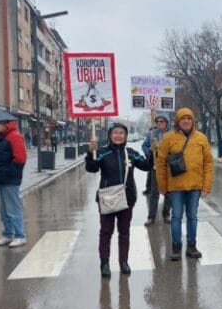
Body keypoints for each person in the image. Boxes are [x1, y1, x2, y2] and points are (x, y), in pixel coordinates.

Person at [86, 122, 152, 276]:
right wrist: (91, 153)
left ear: (126, 136)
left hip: (127, 199)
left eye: (121, 133)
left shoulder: (131, 153)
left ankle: (124, 262)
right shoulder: (102, 152)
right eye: (115, 132)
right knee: (106, 232)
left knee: (124, 232)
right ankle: (104, 263)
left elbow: (147, 166)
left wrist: (153, 152)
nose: (118, 135)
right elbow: (92, 168)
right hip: (107, 198)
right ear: (110, 135)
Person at [156, 108, 214, 261]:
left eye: (189, 118)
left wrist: (206, 185)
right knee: (176, 216)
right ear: (178, 122)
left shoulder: (201, 138)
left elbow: (208, 163)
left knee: (192, 216)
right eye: (183, 119)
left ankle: (191, 245)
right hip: (176, 186)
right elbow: (161, 163)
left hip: (195, 186)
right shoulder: (169, 138)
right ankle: (176, 246)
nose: (186, 121)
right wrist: (162, 185)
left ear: (193, 121)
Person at [0, 120, 28, 247]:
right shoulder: (0, 137)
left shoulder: (14, 136)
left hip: (9, 178)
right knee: (4, 209)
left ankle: (20, 235)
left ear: (5, 124)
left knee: (13, 208)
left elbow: (20, 158)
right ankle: (8, 234)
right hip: (2, 178)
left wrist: (9, 173)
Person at [142, 113, 172, 225]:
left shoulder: (173, 134)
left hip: (169, 168)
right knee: (154, 194)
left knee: (168, 193)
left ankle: (166, 214)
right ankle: (151, 217)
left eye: (162, 121)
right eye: (157, 122)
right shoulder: (152, 134)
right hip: (156, 167)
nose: (159, 123)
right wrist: (150, 150)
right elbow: (144, 146)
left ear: (167, 123)